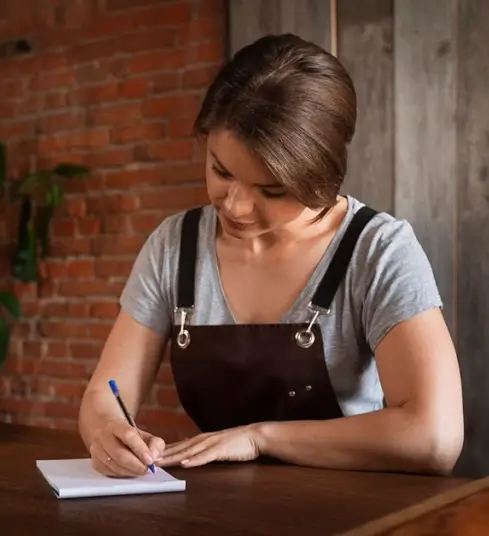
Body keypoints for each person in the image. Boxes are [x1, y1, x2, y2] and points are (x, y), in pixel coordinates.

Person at [77, 33, 464, 478]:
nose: (236, 206)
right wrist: (107, 430)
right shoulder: (174, 246)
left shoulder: (377, 251)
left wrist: (260, 437)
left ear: (322, 175)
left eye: (272, 190)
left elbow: (435, 437)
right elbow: (103, 397)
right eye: (221, 170)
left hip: (352, 509)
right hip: (215, 510)